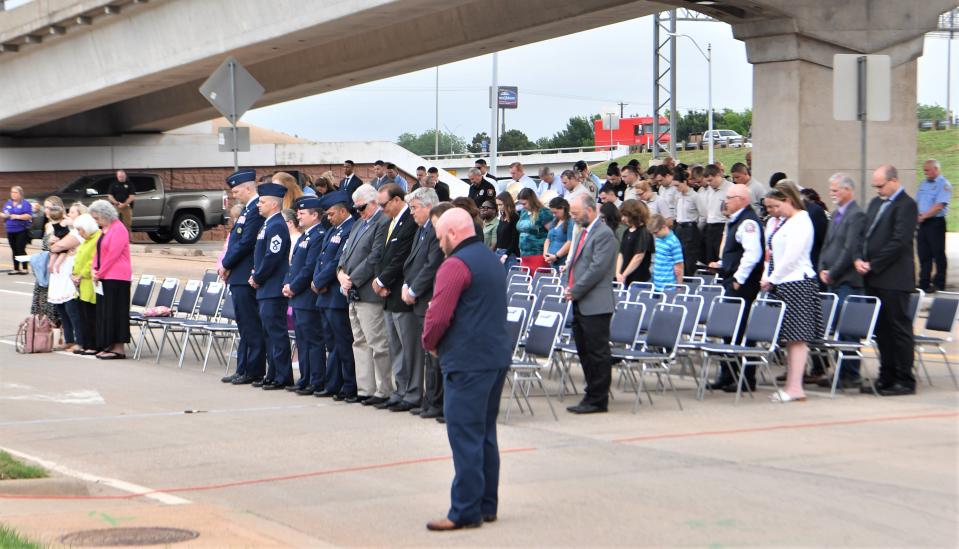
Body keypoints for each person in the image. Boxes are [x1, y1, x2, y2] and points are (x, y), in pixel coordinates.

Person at [422, 208, 510, 531]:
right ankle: (487, 504)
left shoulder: (455, 265)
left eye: (440, 236)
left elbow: (439, 314)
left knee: (465, 437)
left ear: (453, 234)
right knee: (485, 434)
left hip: (467, 361)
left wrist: (429, 341)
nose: (439, 243)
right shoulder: (490, 259)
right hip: (494, 358)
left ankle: (465, 510)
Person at [854, 165, 918, 396]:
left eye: (881, 186)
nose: (878, 190)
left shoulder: (906, 205)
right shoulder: (876, 203)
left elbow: (899, 241)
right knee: (881, 330)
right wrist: (859, 258)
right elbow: (864, 233)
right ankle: (886, 375)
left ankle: (904, 378)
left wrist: (875, 263)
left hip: (894, 279)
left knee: (898, 329)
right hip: (873, 278)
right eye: (875, 186)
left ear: (894, 181)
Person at [761, 183, 823, 402]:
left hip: (797, 283)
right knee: (789, 338)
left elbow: (792, 256)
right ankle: (793, 384)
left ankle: (795, 386)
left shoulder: (801, 221)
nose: (772, 211)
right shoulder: (785, 222)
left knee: (797, 338)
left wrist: (772, 278)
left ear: (788, 200)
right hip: (784, 283)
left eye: (775, 206)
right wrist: (770, 275)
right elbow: (774, 254)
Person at [706, 184, 765, 392]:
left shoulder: (748, 222)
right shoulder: (735, 220)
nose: (726, 201)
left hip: (742, 285)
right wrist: (723, 265)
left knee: (741, 331)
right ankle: (728, 374)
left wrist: (738, 278)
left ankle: (746, 377)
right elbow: (736, 252)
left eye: (730, 197)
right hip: (732, 279)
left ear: (741, 199)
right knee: (729, 330)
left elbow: (753, 254)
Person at [338, 184, 392, 405]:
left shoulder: (382, 222)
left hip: (368, 291)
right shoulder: (359, 223)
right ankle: (365, 388)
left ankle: (383, 389)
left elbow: (375, 256)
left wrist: (353, 279)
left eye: (361, 208)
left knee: (377, 342)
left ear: (373, 202)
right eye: (356, 208)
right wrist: (341, 273)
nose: (358, 212)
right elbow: (346, 252)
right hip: (352, 290)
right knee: (359, 342)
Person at [563, 193, 617, 414]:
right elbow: (577, 264)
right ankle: (591, 393)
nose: (573, 218)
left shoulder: (604, 235)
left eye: (576, 213)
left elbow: (597, 269)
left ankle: (598, 398)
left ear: (590, 210)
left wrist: (575, 290)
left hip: (595, 303)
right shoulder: (583, 233)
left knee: (597, 352)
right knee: (585, 351)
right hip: (581, 301)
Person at [371, 183, 419, 411]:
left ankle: (412, 391)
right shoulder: (392, 221)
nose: (381, 209)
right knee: (395, 347)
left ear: (398, 200)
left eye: (384, 204)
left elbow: (401, 258)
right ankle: (401, 389)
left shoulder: (409, 221)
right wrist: (379, 280)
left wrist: (382, 281)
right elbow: (383, 255)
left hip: (400, 293)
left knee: (408, 348)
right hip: (389, 294)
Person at [817, 173, 867, 389]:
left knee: (848, 329)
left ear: (848, 190)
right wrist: (821, 268)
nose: (832, 194)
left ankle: (851, 373)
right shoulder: (836, 213)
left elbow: (849, 249)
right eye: (831, 190)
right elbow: (827, 246)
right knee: (836, 326)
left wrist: (833, 272)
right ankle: (840, 370)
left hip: (847, 280)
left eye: (836, 190)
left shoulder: (857, 215)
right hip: (832, 279)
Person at [220, 170, 268, 386]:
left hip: (244, 274)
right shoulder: (248, 210)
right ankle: (243, 368)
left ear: (248, 188)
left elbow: (246, 242)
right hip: (238, 275)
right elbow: (234, 241)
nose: (234, 195)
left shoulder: (256, 210)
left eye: (236, 190)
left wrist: (226, 264)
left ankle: (254, 369)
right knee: (244, 325)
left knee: (250, 325)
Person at [402, 188, 445, 420]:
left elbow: (431, 265)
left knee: (433, 355)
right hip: (417, 297)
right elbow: (414, 263)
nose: (411, 213)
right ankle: (429, 401)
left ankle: (435, 402)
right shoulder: (422, 230)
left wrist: (415, 289)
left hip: (427, 297)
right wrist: (406, 285)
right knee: (427, 355)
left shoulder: (434, 230)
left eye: (414, 208)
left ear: (429, 206)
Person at [312, 192, 358, 400]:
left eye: (331, 214)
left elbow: (337, 261)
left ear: (342, 211)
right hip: (324, 295)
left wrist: (319, 281)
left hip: (335, 295)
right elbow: (321, 259)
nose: (328, 218)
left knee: (343, 343)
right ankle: (334, 383)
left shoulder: (350, 228)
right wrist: (315, 281)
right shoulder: (332, 230)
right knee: (332, 344)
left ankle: (348, 385)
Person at [248, 183, 293, 389]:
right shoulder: (268, 224)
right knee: (268, 333)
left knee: (276, 333)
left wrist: (258, 276)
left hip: (273, 287)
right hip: (266, 288)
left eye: (263, 201)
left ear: (274, 205)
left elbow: (272, 256)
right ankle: (272, 373)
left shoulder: (276, 225)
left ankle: (282, 376)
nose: (259, 204)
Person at [282, 196, 327, 395]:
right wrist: (286, 283)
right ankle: (305, 377)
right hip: (297, 296)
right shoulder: (304, 236)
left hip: (307, 295)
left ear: (315, 215)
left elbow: (309, 267)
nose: (298, 215)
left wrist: (294, 286)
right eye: (298, 213)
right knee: (302, 340)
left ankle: (316, 380)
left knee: (313, 340)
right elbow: (293, 265)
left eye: (302, 213)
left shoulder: (318, 235)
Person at [87, 200, 131, 359]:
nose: (96, 222)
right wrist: (93, 268)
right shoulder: (105, 229)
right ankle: (108, 344)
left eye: (97, 218)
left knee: (116, 311)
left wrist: (100, 273)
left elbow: (113, 254)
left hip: (117, 276)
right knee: (105, 312)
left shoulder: (119, 229)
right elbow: (98, 252)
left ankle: (118, 348)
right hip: (105, 275)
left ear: (106, 215)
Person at [47, 202, 87, 352]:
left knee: (72, 310)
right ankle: (69, 339)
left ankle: (79, 341)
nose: (69, 215)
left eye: (73, 213)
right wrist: (52, 243)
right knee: (62, 309)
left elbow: (58, 246)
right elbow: (52, 243)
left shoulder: (78, 233)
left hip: (70, 272)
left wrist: (53, 245)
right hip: (59, 272)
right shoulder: (67, 229)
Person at [916, 159, 951, 293]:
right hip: (923, 223)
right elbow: (917, 201)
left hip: (935, 223)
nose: (925, 173)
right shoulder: (924, 183)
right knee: (924, 254)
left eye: (927, 170)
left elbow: (939, 205)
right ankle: (924, 283)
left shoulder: (944, 185)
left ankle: (939, 283)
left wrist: (923, 216)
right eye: (924, 170)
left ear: (936, 169)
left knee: (938, 254)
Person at [31, 198, 66, 324]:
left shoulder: (63, 224)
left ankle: (59, 334)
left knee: (54, 305)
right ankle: (45, 334)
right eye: (45, 207)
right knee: (41, 302)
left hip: (55, 266)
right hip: (44, 266)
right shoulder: (47, 224)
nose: (46, 210)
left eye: (49, 207)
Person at [70, 213, 100, 355]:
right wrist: (74, 274)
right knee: (83, 316)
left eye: (80, 230)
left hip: (89, 283)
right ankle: (85, 343)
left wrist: (81, 275)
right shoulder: (86, 241)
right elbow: (78, 259)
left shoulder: (96, 239)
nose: (79, 233)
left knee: (91, 316)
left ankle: (93, 345)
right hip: (80, 284)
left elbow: (92, 261)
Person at [515, 188, 554, 273]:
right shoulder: (524, 212)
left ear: (531, 200)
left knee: (538, 281)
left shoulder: (543, 212)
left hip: (538, 254)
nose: (523, 206)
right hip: (524, 254)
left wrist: (548, 252)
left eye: (524, 203)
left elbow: (552, 233)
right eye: (521, 204)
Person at [672, 171, 704, 275]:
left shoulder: (695, 196)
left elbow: (703, 215)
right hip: (679, 227)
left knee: (689, 258)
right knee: (678, 256)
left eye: (678, 185)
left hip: (690, 227)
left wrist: (695, 228)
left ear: (684, 182)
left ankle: (689, 279)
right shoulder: (678, 196)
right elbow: (676, 212)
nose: (677, 188)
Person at [616, 199, 653, 285]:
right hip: (624, 278)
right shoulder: (627, 231)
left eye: (626, 215)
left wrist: (624, 274)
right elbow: (621, 253)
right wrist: (618, 273)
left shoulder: (644, 232)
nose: (623, 219)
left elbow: (639, 256)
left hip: (638, 280)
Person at [648, 214, 683, 291]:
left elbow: (679, 266)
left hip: (669, 286)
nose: (655, 235)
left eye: (656, 232)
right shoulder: (658, 239)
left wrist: (679, 286)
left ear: (664, 227)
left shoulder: (674, 242)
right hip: (656, 284)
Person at [3, 186, 32, 275]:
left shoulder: (25, 203)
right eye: (12, 192)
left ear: (20, 194)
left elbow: (29, 215)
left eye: (15, 192)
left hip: (21, 230)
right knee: (14, 249)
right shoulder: (8, 203)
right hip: (10, 230)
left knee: (20, 249)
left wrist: (17, 216)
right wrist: (4, 215)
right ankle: (16, 268)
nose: (13, 194)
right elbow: (4, 213)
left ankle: (25, 268)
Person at [543, 197, 573, 271]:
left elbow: (570, 242)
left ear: (563, 208)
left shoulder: (571, 222)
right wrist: (545, 253)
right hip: (551, 261)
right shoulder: (555, 221)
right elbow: (548, 239)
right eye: (552, 213)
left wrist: (556, 256)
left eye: (555, 212)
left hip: (562, 261)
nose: (554, 215)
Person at [493, 191, 519, 270]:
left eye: (500, 204)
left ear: (507, 203)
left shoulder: (514, 217)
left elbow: (514, 239)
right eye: (497, 205)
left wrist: (506, 254)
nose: (499, 207)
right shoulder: (502, 217)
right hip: (499, 251)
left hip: (509, 254)